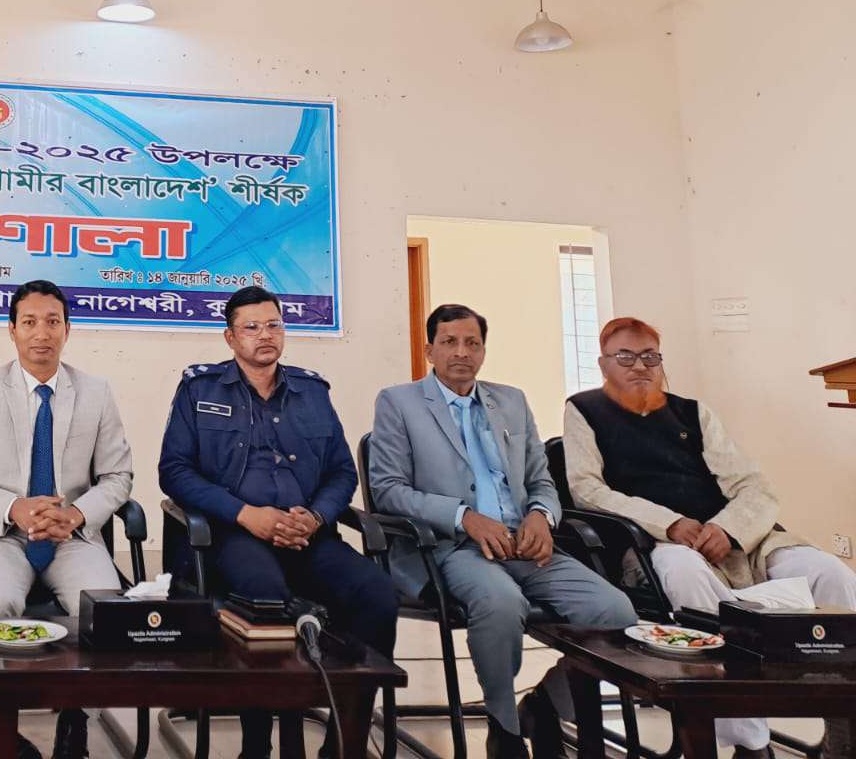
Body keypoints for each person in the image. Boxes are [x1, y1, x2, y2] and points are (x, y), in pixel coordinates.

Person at [564, 315, 856, 759]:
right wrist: (670, 523)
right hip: (658, 545)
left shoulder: (692, 412)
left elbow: (753, 485)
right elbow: (587, 489)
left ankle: (846, 723)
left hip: (739, 542)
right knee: (686, 573)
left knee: (831, 573)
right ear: (603, 363)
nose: (639, 366)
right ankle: (750, 741)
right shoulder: (584, 410)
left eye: (650, 356)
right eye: (625, 356)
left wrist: (729, 530)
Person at [369, 304, 636, 759]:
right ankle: (504, 726)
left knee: (615, 610)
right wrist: (464, 517)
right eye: (449, 342)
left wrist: (541, 516)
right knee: (500, 601)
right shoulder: (399, 403)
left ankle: (546, 703)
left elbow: (541, 480)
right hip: (451, 547)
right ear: (430, 349)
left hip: (525, 545)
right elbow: (388, 490)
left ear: (483, 350)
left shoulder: (511, 401)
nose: (462, 352)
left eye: (472, 343)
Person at [160, 285, 398, 759]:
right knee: (266, 597)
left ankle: (346, 741)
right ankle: (259, 743)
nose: (265, 335)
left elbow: (341, 472)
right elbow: (175, 471)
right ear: (230, 338)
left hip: (307, 535)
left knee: (376, 594)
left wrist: (315, 516)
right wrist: (246, 514)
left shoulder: (312, 392)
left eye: (273, 324)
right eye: (251, 327)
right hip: (233, 534)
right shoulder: (200, 389)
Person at [0, 279, 134, 759]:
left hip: (73, 537)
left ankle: (76, 720)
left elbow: (118, 476)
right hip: (1, 534)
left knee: (102, 605)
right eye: (29, 322)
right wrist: (13, 507)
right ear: (12, 330)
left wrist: (75, 514)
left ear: (68, 329)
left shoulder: (95, 391)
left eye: (52, 322)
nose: (41, 333)